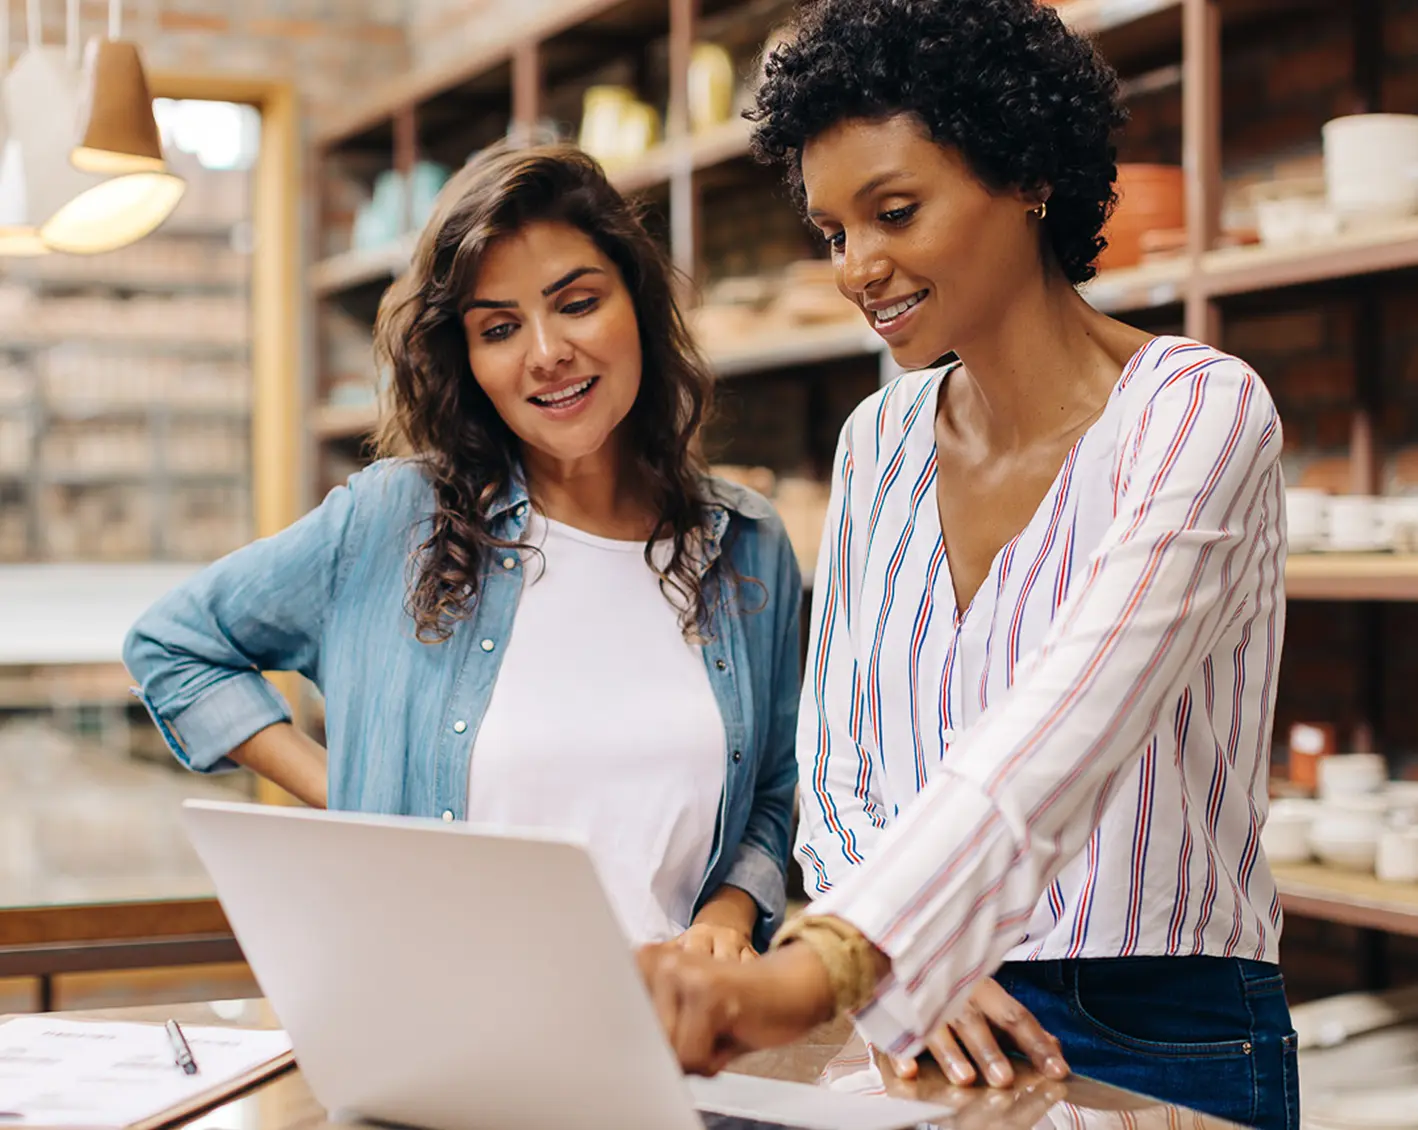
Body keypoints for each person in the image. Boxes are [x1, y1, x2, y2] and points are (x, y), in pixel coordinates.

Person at [636, 2, 1296, 1127]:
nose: (857, 267)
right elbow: (836, 758)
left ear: (1026, 173)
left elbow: (1067, 721)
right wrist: (904, 971)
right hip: (911, 1022)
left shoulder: (1195, 413)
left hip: (1159, 1026)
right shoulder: (876, 440)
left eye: (893, 212)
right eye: (832, 231)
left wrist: (839, 956)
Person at [124, 141, 803, 959]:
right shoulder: (395, 521)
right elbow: (172, 645)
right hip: (444, 1032)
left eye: (578, 303)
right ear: (468, 360)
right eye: (500, 328)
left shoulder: (746, 543)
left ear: (639, 305)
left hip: (683, 1043)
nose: (547, 351)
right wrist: (348, 798)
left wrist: (730, 913)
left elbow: (772, 786)